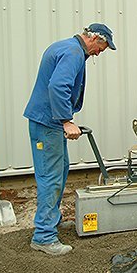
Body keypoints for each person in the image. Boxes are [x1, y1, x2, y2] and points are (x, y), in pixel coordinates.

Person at [24, 23, 116, 255]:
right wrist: (66, 120)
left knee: (61, 170)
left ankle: (51, 221)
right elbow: (58, 85)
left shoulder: (65, 47)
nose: (99, 53)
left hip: (49, 122)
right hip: (48, 123)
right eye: (102, 48)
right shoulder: (74, 53)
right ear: (95, 39)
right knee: (51, 178)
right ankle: (44, 236)